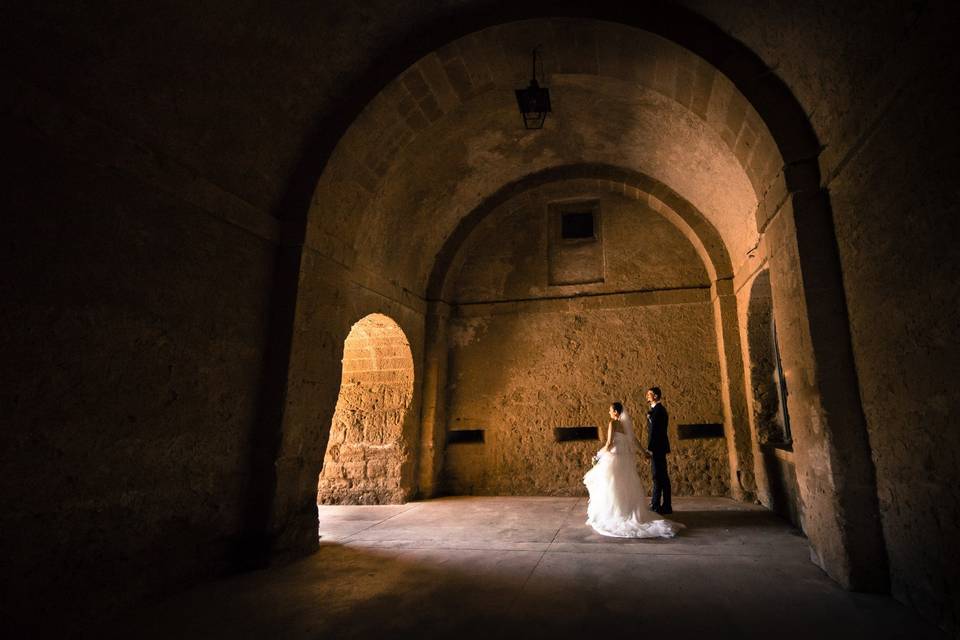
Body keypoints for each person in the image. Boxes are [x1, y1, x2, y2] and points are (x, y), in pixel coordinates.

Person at [583, 401, 683, 538]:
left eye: (610, 410)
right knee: (625, 485)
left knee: (612, 486)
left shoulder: (613, 424)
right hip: (625, 461)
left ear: (616, 412)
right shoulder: (625, 425)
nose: (609, 412)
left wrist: (598, 456)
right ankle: (627, 510)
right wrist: (644, 452)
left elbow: (609, 443)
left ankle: (616, 513)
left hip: (614, 458)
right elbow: (634, 440)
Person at [645, 387, 672, 514]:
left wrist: (650, 449)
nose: (647, 396)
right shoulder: (655, 410)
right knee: (661, 477)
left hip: (657, 448)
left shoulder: (659, 411)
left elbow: (656, 433)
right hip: (658, 448)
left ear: (655, 396)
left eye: (649, 394)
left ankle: (657, 505)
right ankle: (664, 505)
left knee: (658, 476)